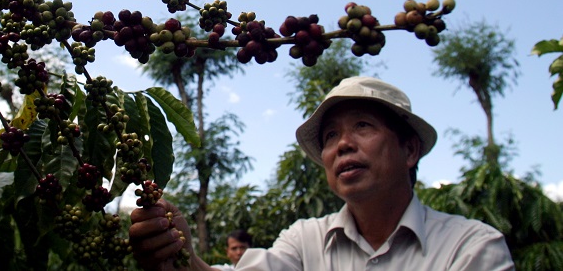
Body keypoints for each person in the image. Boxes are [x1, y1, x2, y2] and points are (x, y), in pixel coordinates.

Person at [129, 76, 515, 270]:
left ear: (409, 149)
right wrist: (182, 258)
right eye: (331, 135)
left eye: (363, 126)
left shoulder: (470, 248)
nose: (343, 144)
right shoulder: (305, 242)